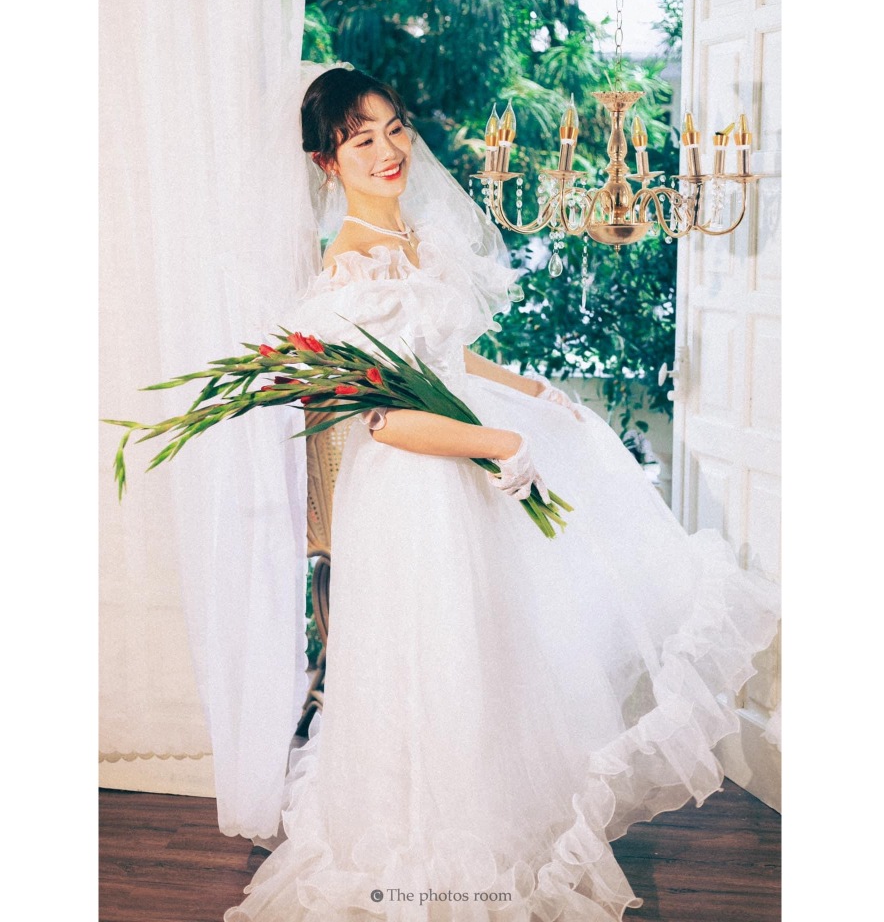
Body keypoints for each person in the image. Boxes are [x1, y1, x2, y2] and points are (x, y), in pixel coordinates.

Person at [223, 65, 780, 921]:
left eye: (393, 127)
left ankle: (494, 832)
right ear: (326, 162)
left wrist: (529, 391)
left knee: (494, 658)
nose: (388, 149)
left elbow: (442, 357)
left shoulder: (412, 239)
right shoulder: (348, 271)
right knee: (440, 661)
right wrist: (498, 442)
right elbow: (383, 420)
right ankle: (429, 860)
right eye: (360, 139)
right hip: (417, 494)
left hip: (465, 463)